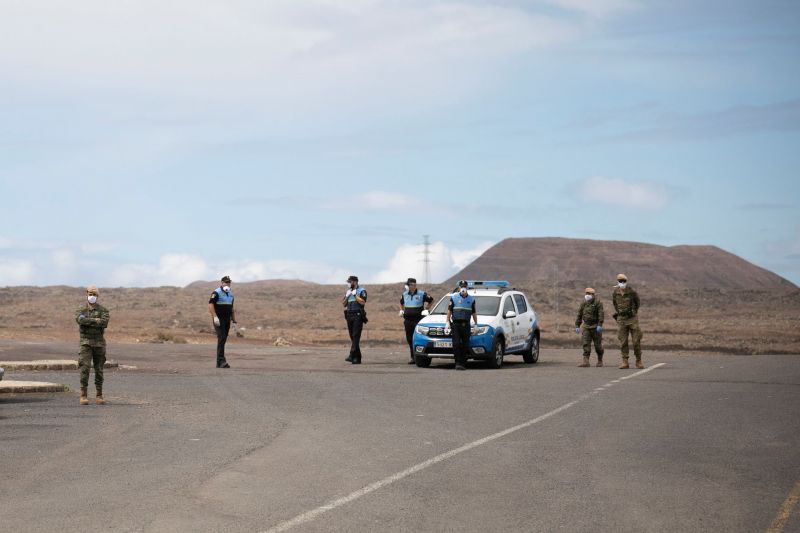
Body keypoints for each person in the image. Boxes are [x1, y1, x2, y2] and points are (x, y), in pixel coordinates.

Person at [75, 285, 110, 405]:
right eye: (90, 294)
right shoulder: (81, 309)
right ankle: (83, 395)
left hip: (99, 343)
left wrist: (89, 321)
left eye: (94, 295)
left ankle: (99, 395)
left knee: (99, 369)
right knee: (84, 368)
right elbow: (80, 320)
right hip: (85, 343)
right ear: (87, 294)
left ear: (97, 296)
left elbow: (104, 322)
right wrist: (96, 320)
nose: (92, 296)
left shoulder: (103, 310)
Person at [612, 273, 644, 369]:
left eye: (624, 281)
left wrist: (633, 312)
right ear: (617, 282)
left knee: (636, 341)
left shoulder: (632, 292)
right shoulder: (615, 292)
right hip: (622, 320)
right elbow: (615, 304)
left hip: (632, 319)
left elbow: (637, 303)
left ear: (626, 282)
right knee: (623, 341)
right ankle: (625, 361)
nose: (622, 283)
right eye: (620, 281)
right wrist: (620, 314)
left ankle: (638, 361)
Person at [399, 277, 434, 364]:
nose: (413, 286)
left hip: (418, 320)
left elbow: (431, 300)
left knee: (417, 338)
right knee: (409, 339)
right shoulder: (404, 294)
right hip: (408, 320)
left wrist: (426, 309)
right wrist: (402, 310)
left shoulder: (421, 294)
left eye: (414, 284)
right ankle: (413, 357)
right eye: (411, 284)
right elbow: (401, 302)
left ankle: (418, 357)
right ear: (408, 285)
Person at [446, 280, 478, 371]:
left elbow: (474, 313)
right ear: (459, 288)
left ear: (467, 287)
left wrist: (476, 324)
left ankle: (463, 363)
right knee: (456, 344)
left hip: (466, 325)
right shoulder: (454, 297)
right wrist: (447, 322)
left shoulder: (471, 299)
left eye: (464, 286)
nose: (463, 288)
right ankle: (457, 363)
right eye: (461, 286)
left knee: (465, 345)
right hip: (456, 324)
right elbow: (449, 311)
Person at [208, 275, 237, 368]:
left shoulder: (231, 294)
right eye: (226, 282)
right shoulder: (216, 292)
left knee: (223, 339)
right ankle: (221, 361)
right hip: (219, 319)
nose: (227, 284)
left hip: (227, 319)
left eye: (229, 283)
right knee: (221, 338)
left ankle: (219, 362)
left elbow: (231, 308)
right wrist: (215, 317)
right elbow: (210, 305)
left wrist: (234, 320)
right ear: (222, 283)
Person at [575, 287, 604, 367]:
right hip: (586, 326)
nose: (587, 295)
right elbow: (579, 314)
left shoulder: (598, 303)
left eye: (589, 294)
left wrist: (599, 325)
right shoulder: (583, 303)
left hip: (595, 327)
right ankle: (586, 361)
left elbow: (601, 315)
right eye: (586, 293)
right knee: (585, 344)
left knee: (598, 345)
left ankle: (600, 360)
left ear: (593, 295)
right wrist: (577, 325)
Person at [342, 275, 367, 364]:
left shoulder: (362, 291)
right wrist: (348, 296)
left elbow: (363, 302)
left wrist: (355, 295)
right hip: (349, 315)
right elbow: (344, 304)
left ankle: (351, 354)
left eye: (350, 282)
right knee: (353, 337)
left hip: (357, 315)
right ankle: (357, 358)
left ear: (355, 282)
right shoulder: (348, 291)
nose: (349, 283)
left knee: (356, 336)